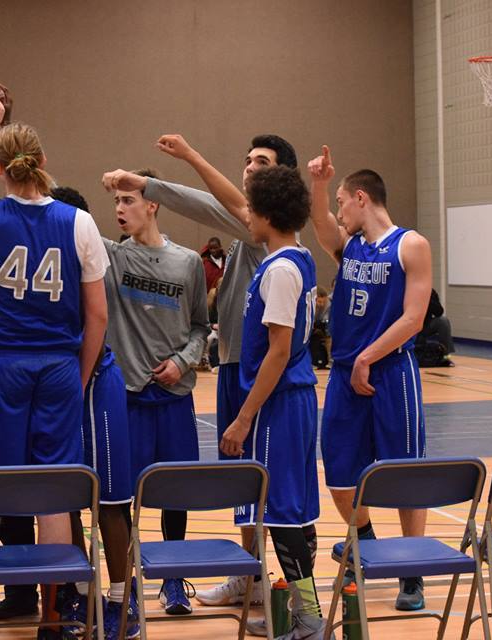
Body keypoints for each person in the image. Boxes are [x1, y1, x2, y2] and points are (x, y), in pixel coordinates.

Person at [101, 132, 307, 608]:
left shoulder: (267, 244)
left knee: (281, 504)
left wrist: (181, 162)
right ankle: (255, 580)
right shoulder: (255, 239)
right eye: (247, 160)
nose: (250, 167)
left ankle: (304, 607)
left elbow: (214, 206)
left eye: (262, 163)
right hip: (234, 373)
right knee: (251, 493)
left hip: (264, 382)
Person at [0, 96, 109, 640]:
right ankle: (52, 616)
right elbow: (97, 315)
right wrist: (79, 377)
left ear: (1, 168)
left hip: (3, 365)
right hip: (59, 365)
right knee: (54, 490)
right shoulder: (80, 222)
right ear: (43, 161)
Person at [0, 186, 139, 640]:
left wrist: (78, 378)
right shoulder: (41, 259)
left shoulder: (87, 257)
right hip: (52, 385)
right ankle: (76, 592)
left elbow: (98, 321)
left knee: (110, 502)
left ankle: (123, 598)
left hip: (92, 380)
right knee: (62, 497)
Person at [307, 146, 431, 611]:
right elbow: (320, 224)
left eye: (342, 202)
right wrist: (320, 184)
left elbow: (413, 318)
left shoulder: (410, 244)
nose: (339, 212)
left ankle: (412, 571)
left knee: (405, 473)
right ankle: (364, 537)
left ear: (361, 198)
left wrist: (368, 356)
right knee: (339, 473)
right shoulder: (350, 246)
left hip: (391, 372)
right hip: (346, 372)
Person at [218, 165, 324, 639]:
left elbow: (278, 351)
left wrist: (243, 418)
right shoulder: (299, 257)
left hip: (278, 404)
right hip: (294, 400)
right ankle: (304, 612)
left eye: (251, 209)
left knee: (280, 513)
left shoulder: (280, 270)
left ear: (266, 214)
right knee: (293, 511)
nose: (246, 216)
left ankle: (309, 618)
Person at [99, 167, 210, 616]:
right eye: (116, 202)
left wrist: (183, 360)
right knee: (120, 497)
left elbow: (201, 327)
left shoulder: (188, 262)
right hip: (126, 398)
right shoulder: (110, 257)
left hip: (174, 398)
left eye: (128, 200)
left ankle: (173, 580)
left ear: (153, 203)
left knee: (174, 493)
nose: (120, 208)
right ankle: (124, 584)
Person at [415, 289, 454, 367]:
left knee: (443, 321)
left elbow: (439, 312)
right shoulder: (407, 291)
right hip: (409, 326)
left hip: (425, 325)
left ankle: (445, 356)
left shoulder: (431, 292)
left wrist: (428, 298)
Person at [309, 287, 331, 369]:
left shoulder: (329, 305)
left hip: (325, 325)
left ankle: (330, 360)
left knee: (329, 336)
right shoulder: (310, 303)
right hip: (313, 325)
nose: (321, 304)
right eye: (319, 302)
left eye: (323, 302)